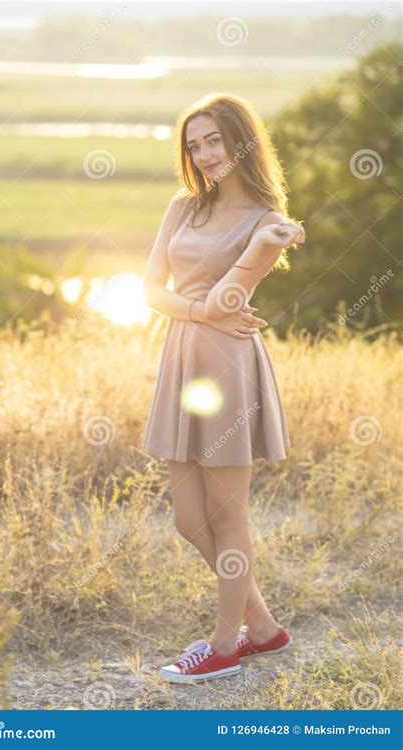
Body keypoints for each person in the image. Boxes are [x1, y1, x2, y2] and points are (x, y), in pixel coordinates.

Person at [141, 93, 305, 683]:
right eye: (195, 145)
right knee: (190, 518)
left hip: (230, 367)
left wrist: (260, 253)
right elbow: (150, 292)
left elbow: (226, 304)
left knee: (226, 516)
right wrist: (198, 310)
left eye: (215, 141)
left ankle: (223, 646)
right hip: (182, 360)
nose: (205, 154)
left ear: (243, 141)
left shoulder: (269, 223)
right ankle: (261, 628)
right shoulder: (183, 206)